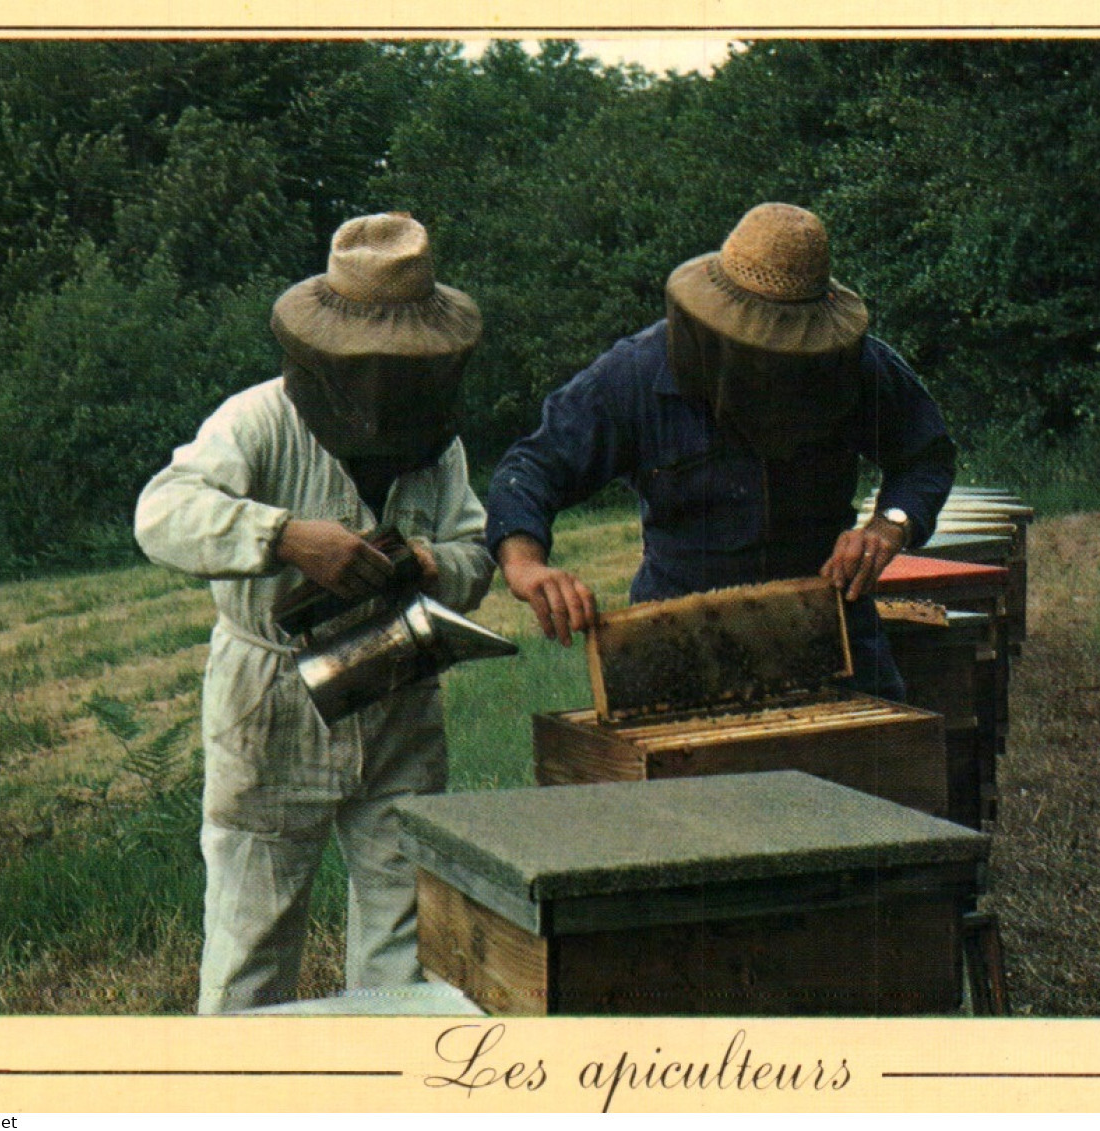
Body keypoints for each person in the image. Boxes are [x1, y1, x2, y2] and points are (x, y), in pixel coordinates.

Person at [134, 213, 495, 1013]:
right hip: (271, 702)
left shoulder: (437, 440)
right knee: (251, 945)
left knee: (408, 941)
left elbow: (477, 551)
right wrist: (285, 537)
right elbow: (161, 514)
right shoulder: (257, 419)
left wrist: (436, 563)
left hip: (399, 687)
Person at [484, 202, 955, 701]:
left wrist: (889, 525)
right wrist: (524, 564)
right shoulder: (637, 373)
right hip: (679, 633)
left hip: (831, 624)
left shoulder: (856, 365)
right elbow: (533, 467)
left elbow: (924, 454)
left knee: (882, 767)